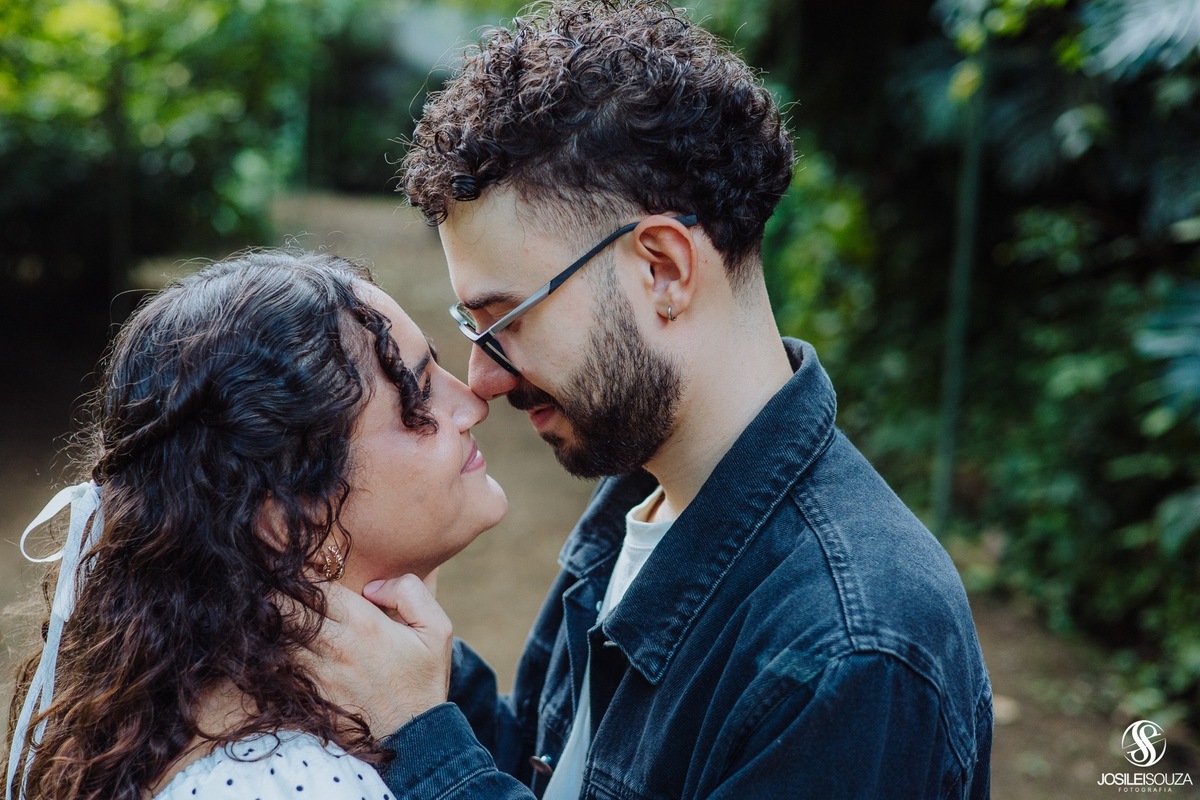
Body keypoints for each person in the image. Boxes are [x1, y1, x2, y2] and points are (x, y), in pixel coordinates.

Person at [319, 0, 994, 797]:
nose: (485, 379)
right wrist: (414, 671)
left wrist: (420, 741)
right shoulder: (644, 502)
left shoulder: (848, 652)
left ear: (664, 270)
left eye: (507, 319)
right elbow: (559, 772)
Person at [4, 250, 504, 800]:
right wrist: (428, 742)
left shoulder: (180, 711)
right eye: (418, 394)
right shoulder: (292, 779)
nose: (474, 403)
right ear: (288, 522)